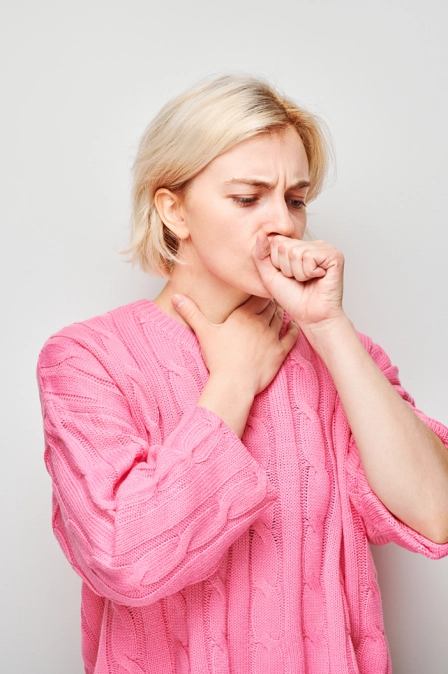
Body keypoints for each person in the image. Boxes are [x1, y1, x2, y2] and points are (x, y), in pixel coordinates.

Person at [37, 74, 448, 674]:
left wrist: (328, 326)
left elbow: (435, 509)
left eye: (296, 199)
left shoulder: (339, 357)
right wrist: (232, 381)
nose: (283, 223)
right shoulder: (86, 360)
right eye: (248, 197)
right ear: (174, 210)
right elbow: (125, 556)